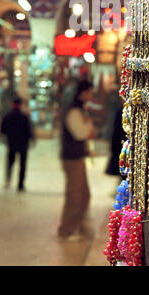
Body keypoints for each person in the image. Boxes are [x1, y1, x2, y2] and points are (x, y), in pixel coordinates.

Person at [59, 79, 96, 241]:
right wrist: (89, 127)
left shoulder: (79, 111)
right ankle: (66, 231)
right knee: (75, 196)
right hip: (72, 158)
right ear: (82, 93)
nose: (91, 95)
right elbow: (81, 133)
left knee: (84, 194)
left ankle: (78, 226)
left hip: (76, 157)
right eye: (89, 92)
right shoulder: (74, 112)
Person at [0, 96, 34, 191]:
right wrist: (32, 139)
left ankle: (8, 180)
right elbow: (29, 131)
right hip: (23, 144)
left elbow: (3, 130)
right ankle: (20, 184)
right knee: (22, 165)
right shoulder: (24, 117)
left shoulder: (8, 116)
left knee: (10, 163)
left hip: (12, 144)